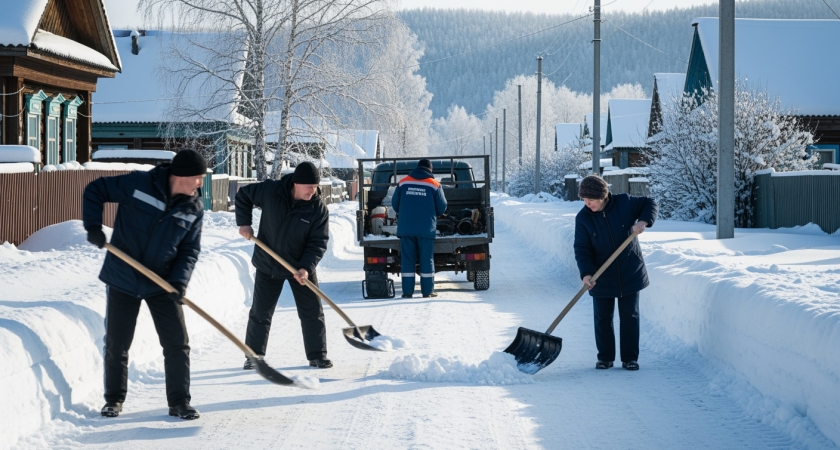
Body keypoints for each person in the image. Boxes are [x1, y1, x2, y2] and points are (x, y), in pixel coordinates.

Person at [83, 149, 207, 420]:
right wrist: (93, 225)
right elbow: (96, 189)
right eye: (197, 178)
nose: (200, 184)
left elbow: (189, 250)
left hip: (162, 282)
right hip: (123, 277)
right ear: (180, 175)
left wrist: (179, 282)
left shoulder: (193, 207)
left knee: (177, 343)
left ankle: (179, 402)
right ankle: (113, 400)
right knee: (118, 343)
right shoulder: (139, 183)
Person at [235, 162, 331, 369]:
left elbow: (318, 242)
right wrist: (244, 222)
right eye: (308, 186)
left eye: (315, 187)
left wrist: (306, 267)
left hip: (300, 267)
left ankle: (318, 355)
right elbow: (243, 195)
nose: (313, 191)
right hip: (269, 262)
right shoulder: (271, 191)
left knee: (312, 311)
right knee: (261, 311)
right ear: (296, 183)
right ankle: (254, 356)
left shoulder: (318, 209)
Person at [573, 175, 658, 371]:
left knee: (630, 316)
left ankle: (630, 358)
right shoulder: (583, 218)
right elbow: (582, 248)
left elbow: (650, 202)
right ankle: (605, 357)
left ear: (602, 196)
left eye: (590, 199)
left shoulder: (624, 203)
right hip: (600, 274)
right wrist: (586, 273)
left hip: (629, 270)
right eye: (584, 200)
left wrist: (643, 221)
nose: (587, 203)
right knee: (602, 317)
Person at [391, 159, 447, 298]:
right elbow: (442, 207)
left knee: (408, 259)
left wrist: (404, 212)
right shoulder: (434, 184)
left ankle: (407, 292)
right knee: (426, 259)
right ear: (430, 169)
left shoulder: (403, 182)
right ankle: (427, 292)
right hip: (426, 229)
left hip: (406, 228)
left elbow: (395, 204)